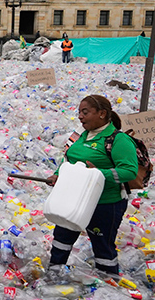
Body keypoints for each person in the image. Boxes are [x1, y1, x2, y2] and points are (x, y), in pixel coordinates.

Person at [45, 95, 138, 276]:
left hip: (105, 203)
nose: (80, 116)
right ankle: (53, 274)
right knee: (62, 237)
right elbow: (68, 159)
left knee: (102, 245)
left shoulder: (118, 140)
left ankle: (108, 281)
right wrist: (57, 175)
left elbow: (129, 171)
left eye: (85, 112)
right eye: (79, 112)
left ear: (102, 114)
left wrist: (96, 175)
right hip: (72, 198)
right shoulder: (80, 135)